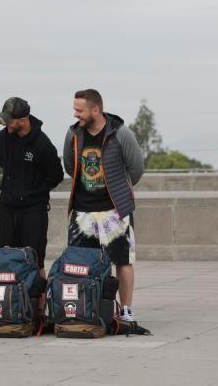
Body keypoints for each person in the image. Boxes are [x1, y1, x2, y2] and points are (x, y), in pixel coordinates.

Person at [63, 89, 144, 322]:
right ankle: (85, 308)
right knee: (79, 262)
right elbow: (70, 166)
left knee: (123, 261)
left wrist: (119, 188)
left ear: (95, 109)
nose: (75, 114)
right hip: (82, 212)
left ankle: (126, 310)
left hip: (115, 210)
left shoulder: (120, 133)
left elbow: (136, 168)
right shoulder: (73, 134)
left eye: (80, 110)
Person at [0, 97, 64, 277]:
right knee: (5, 259)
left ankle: (38, 296)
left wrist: (35, 190)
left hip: (34, 211)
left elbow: (56, 175)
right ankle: (11, 295)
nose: (6, 125)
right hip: (8, 209)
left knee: (35, 261)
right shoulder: (3, 137)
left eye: (10, 121)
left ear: (23, 120)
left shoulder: (42, 143)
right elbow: (2, 162)